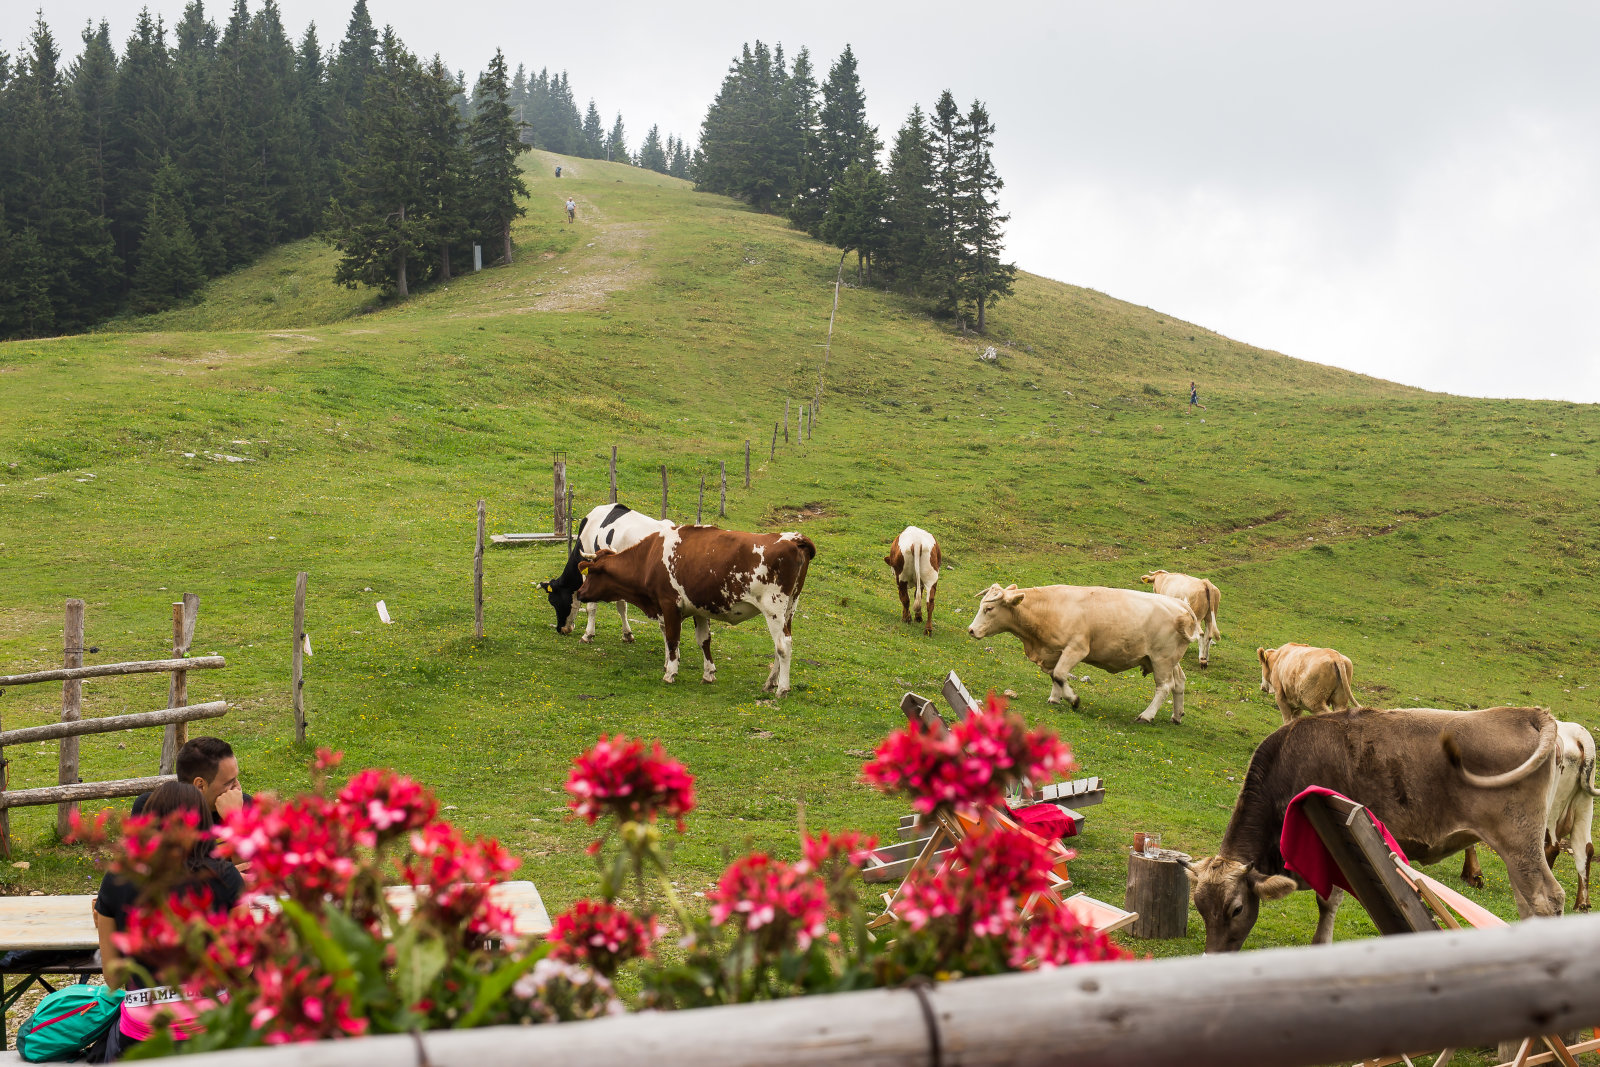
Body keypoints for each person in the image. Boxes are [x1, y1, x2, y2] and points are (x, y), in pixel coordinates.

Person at [93, 782, 244, 1060]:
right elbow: (241, 970)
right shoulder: (226, 876)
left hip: (141, 1033)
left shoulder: (117, 878)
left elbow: (114, 979)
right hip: (209, 1028)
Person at [132, 737, 249, 824]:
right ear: (200, 785)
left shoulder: (244, 806)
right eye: (229, 782)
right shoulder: (153, 808)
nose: (237, 788)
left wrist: (236, 818)